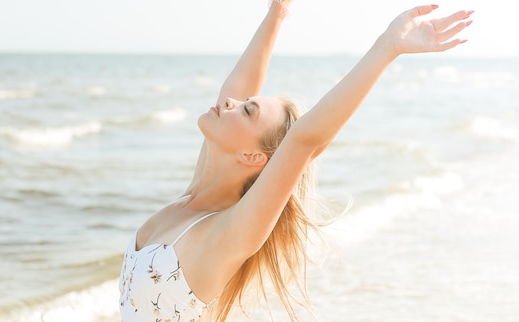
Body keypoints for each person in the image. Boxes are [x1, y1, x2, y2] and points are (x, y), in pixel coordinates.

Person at [118, 1, 472, 321]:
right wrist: (278, 11)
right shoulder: (193, 199)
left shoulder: (225, 233)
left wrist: (387, 47)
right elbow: (238, 87)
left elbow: (305, 139)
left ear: (253, 156)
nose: (230, 102)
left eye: (247, 110)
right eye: (241, 102)